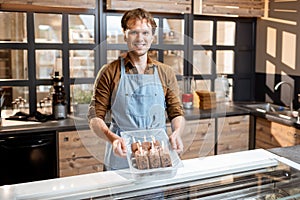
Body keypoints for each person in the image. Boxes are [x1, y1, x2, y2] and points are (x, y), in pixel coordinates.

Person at [88, 8, 185, 171]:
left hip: (157, 152)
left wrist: (177, 133)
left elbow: (176, 112)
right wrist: (113, 139)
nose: (140, 38)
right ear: (125, 34)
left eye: (145, 33)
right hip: (122, 154)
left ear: (152, 37)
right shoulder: (110, 72)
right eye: (134, 32)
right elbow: (94, 116)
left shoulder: (165, 72)